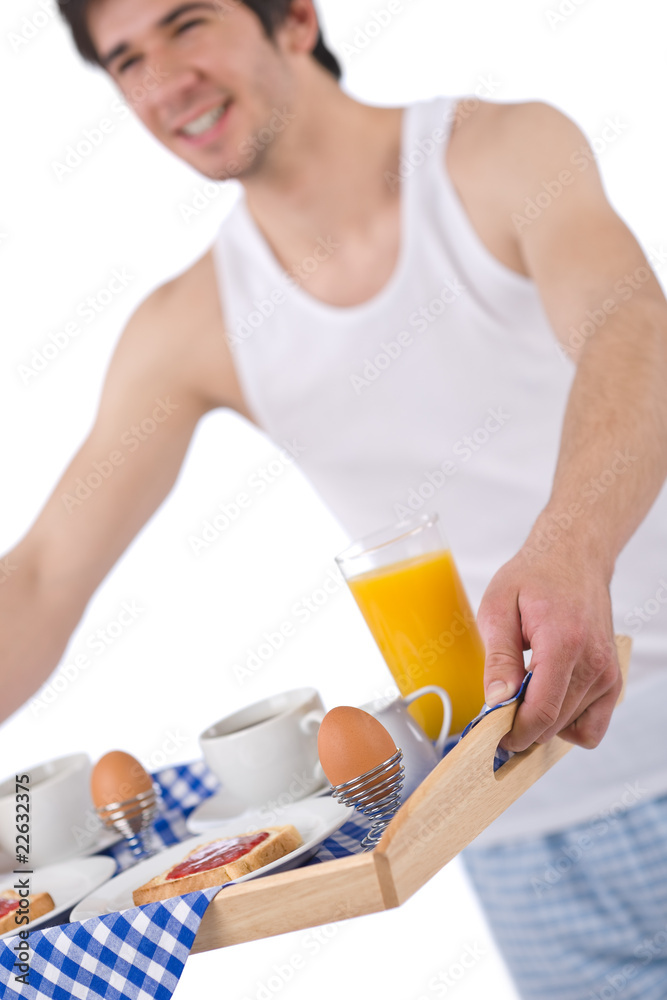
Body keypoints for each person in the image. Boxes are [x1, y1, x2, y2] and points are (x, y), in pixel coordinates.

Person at [2, 0, 666, 996]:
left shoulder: (502, 152)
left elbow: (632, 327)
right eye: (126, 59)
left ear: (296, 19)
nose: (162, 81)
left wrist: (572, 541)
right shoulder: (190, 326)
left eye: (187, 24)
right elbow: (44, 576)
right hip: (509, 825)